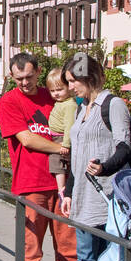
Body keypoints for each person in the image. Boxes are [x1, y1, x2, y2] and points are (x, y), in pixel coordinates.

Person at [60, 53, 131, 261]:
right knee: (85, 257)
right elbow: (77, 154)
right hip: (83, 198)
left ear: (88, 78)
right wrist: (68, 191)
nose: (70, 88)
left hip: (107, 197)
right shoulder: (81, 110)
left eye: (73, 82)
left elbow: (123, 146)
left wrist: (105, 167)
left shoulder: (112, 105)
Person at [0, 52, 78, 261]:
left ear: (38, 72)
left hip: (61, 182)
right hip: (30, 183)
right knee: (31, 245)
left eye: (29, 77)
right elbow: (27, 139)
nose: (24, 83)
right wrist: (62, 149)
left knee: (68, 242)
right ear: (12, 76)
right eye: (19, 78)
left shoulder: (53, 94)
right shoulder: (9, 102)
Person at [45, 66, 78, 207]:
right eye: (52, 91)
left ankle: (62, 190)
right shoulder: (61, 103)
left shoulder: (69, 105)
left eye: (59, 90)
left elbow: (70, 125)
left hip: (61, 138)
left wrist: (66, 144)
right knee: (58, 163)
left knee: (57, 163)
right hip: (56, 136)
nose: (55, 94)